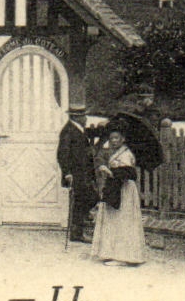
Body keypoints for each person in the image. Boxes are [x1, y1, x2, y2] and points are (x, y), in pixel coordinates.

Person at [91, 128, 146, 266]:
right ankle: (110, 252)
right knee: (113, 219)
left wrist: (112, 172)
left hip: (124, 190)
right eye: (111, 138)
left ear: (122, 139)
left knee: (123, 219)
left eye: (117, 138)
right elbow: (101, 160)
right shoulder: (112, 153)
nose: (114, 141)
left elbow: (128, 174)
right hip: (116, 188)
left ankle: (123, 256)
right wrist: (105, 168)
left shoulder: (126, 154)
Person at [57, 110, 98, 244]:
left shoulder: (78, 129)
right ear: (76, 117)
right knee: (80, 201)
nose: (86, 118)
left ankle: (81, 225)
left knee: (90, 197)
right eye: (83, 116)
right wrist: (67, 172)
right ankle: (77, 233)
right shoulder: (68, 131)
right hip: (75, 174)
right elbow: (62, 154)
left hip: (83, 173)